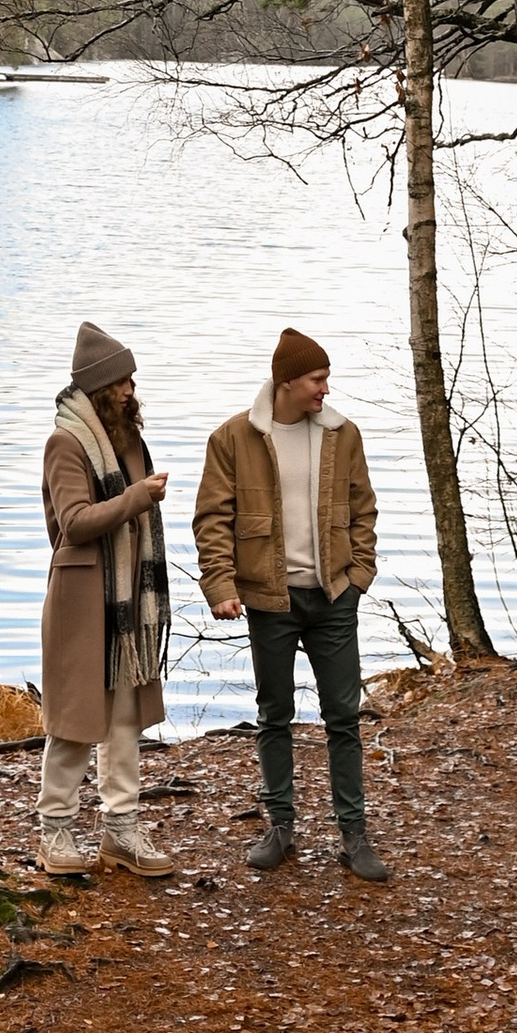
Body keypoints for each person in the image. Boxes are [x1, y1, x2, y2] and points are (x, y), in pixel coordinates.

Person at [193, 326, 385, 881]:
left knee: (343, 716)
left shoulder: (343, 435)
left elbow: (363, 508)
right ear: (286, 382)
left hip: (334, 597)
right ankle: (280, 826)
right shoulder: (234, 438)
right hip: (269, 600)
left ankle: (354, 834)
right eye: (317, 379)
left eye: (325, 379)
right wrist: (222, 585)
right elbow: (213, 519)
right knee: (274, 715)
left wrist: (359, 574)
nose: (325, 389)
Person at [38, 320, 174, 877]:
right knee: (74, 722)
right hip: (80, 601)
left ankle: (121, 830)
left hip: (128, 604)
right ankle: (56, 831)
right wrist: (137, 498)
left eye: (131, 380)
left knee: (123, 720)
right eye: (121, 382)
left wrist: (138, 499)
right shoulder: (66, 443)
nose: (130, 390)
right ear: (99, 388)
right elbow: (73, 524)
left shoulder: (129, 438)